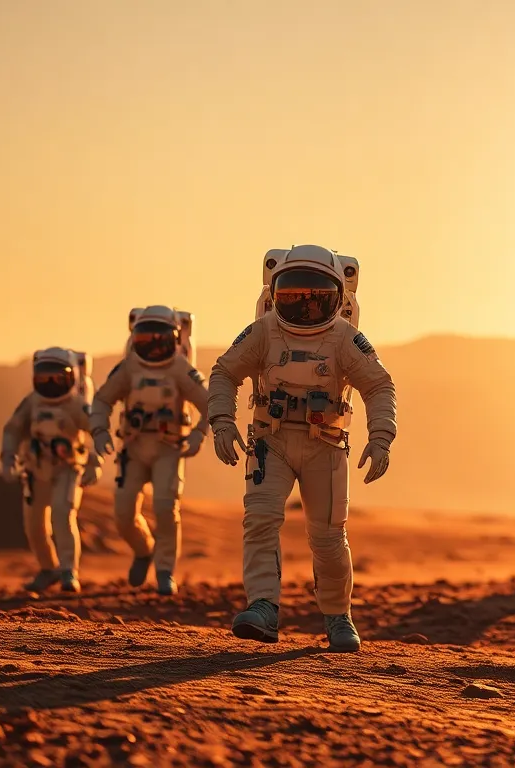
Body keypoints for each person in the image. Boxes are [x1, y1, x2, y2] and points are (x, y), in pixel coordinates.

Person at [207, 244, 397, 653]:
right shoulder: (263, 332)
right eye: (293, 295)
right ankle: (263, 607)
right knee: (260, 522)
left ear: (338, 299)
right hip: (270, 441)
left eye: (317, 297)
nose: (305, 306)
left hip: (324, 445)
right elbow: (224, 372)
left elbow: (378, 385)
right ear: (273, 294)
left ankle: (337, 616)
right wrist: (221, 421)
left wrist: (382, 436)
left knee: (328, 536)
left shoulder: (345, 339)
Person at [89, 305, 210, 597]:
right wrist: (100, 430)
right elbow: (102, 400)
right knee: (123, 512)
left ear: (176, 338)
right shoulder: (129, 368)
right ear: (134, 339)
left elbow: (210, 404)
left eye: (161, 339)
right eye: (146, 340)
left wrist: (198, 435)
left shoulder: (181, 369)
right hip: (134, 448)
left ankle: (165, 571)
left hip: (168, 448)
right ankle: (144, 550)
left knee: (166, 509)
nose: (154, 346)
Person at [1, 347, 101, 593]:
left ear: (72, 377)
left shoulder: (77, 406)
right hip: (36, 470)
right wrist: (8, 456)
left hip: (68, 469)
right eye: (44, 378)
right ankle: (48, 568)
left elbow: (98, 430)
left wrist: (94, 462)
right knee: (34, 526)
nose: (50, 384)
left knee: (62, 514)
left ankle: (68, 571)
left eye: (57, 378)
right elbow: (13, 428)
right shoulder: (32, 402)